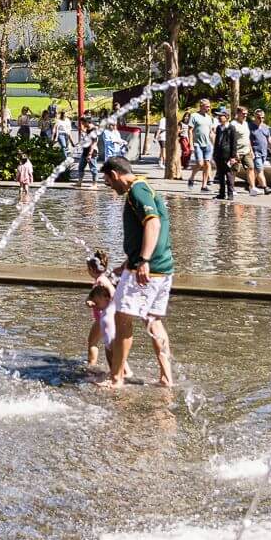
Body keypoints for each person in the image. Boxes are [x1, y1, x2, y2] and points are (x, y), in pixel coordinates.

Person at [100, 155, 176, 388]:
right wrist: (127, 262)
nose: (110, 187)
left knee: (122, 319)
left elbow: (153, 224)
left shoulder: (136, 191)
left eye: (108, 182)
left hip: (145, 270)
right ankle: (166, 378)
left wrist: (142, 260)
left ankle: (116, 379)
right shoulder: (146, 188)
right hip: (163, 269)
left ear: (115, 175)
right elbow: (149, 232)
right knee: (153, 320)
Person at [83, 250, 116, 371]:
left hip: (102, 317)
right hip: (104, 316)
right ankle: (125, 370)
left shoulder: (100, 282)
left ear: (91, 269)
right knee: (112, 344)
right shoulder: (104, 279)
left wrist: (93, 303)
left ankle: (92, 366)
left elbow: (112, 293)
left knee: (92, 342)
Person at [211, 107, 242, 202]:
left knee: (229, 175)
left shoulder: (231, 128)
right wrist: (214, 154)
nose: (219, 118)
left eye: (221, 116)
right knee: (220, 175)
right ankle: (221, 193)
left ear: (227, 117)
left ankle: (230, 194)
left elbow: (234, 143)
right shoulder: (219, 127)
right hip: (219, 155)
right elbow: (216, 142)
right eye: (218, 116)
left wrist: (233, 157)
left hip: (228, 156)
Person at [186, 99, 215, 192]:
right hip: (197, 143)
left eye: (209, 106)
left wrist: (214, 144)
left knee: (207, 164)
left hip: (208, 144)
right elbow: (190, 130)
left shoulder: (209, 118)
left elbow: (211, 132)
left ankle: (204, 185)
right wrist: (190, 144)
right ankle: (192, 178)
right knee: (200, 163)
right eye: (207, 106)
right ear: (201, 106)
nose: (209, 108)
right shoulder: (194, 116)